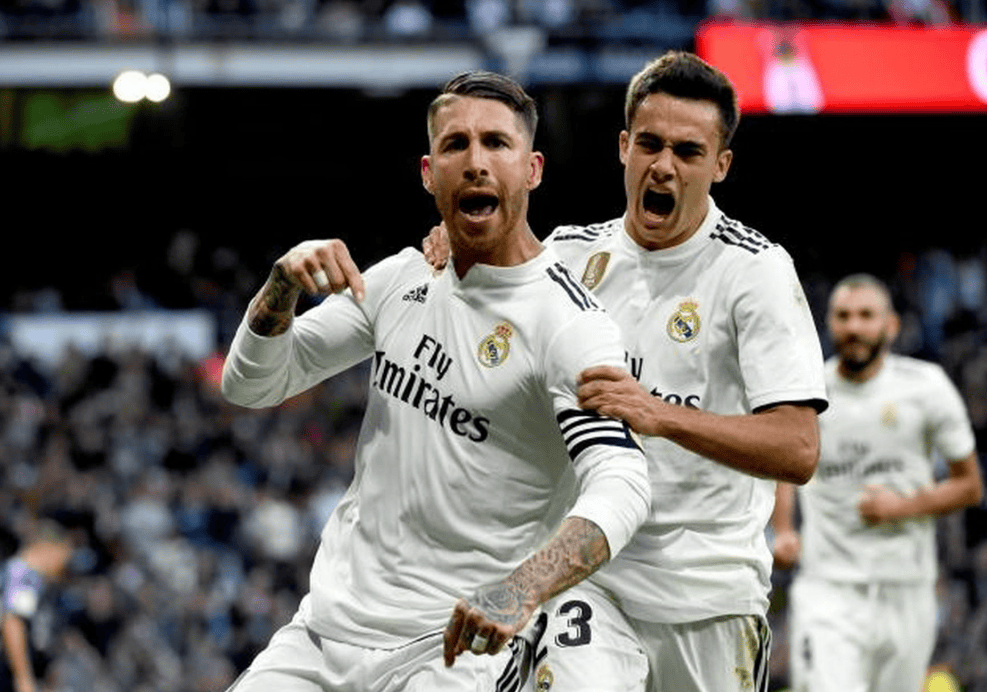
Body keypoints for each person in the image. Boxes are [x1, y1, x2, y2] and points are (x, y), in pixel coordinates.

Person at [220, 70, 651, 692]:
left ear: (532, 169)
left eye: (496, 143)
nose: (475, 163)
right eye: (456, 145)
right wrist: (281, 284)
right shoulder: (401, 278)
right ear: (429, 173)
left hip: (451, 651)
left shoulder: (568, 323)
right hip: (322, 634)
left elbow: (623, 482)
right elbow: (250, 385)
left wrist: (523, 588)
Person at [424, 50, 828, 692]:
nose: (664, 166)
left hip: (709, 597)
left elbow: (798, 448)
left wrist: (659, 416)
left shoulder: (756, 271)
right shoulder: (567, 255)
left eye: (688, 152)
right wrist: (458, 243)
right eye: (650, 144)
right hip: (590, 580)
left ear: (721, 165)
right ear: (623, 147)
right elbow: (484, 313)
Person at [772, 273, 984, 692]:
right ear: (829, 323)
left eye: (866, 315)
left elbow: (970, 485)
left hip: (907, 588)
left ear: (891, 325)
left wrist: (902, 507)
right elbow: (786, 466)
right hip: (828, 588)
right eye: (843, 316)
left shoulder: (927, 387)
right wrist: (783, 530)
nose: (854, 326)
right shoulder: (808, 392)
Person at [1, 520, 75, 692]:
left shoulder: (32, 577)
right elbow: (13, 622)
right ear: (49, 548)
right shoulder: (23, 574)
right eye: (63, 555)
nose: (63, 565)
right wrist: (23, 678)